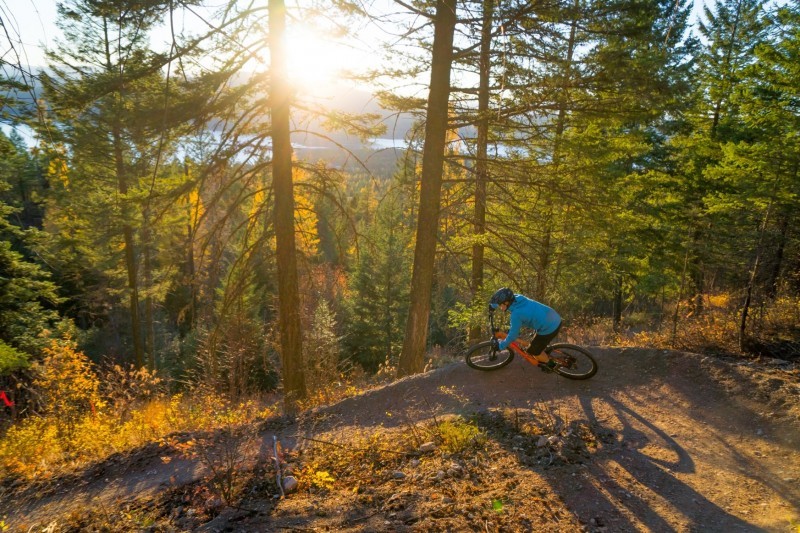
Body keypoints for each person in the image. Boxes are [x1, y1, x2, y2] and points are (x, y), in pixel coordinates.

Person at [488, 287, 562, 372]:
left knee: (533, 351)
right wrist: (492, 306)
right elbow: (503, 301)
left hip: (549, 327)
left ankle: (551, 365)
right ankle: (543, 350)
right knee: (532, 341)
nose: (500, 307)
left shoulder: (516, 314)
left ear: (507, 302)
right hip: (553, 316)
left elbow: (512, 336)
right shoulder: (518, 298)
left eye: (501, 305)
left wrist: (500, 346)